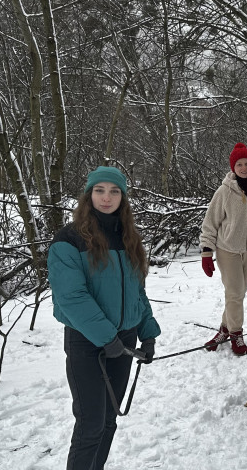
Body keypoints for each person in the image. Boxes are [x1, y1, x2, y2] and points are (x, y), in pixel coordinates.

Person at [48, 166, 161, 470]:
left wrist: (147, 333)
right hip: (88, 343)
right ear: (89, 194)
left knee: (109, 421)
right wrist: (105, 338)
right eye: (100, 190)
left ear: (123, 197)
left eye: (114, 191)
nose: (107, 197)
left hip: (123, 341)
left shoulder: (128, 237)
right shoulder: (69, 240)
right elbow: (71, 297)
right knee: (90, 426)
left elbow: (137, 290)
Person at [199, 143, 247, 356]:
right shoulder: (224, 192)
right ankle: (236, 334)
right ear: (233, 167)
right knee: (234, 293)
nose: (244, 168)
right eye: (239, 164)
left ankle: (224, 329)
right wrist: (207, 252)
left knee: (237, 294)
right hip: (228, 250)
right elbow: (210, 223)